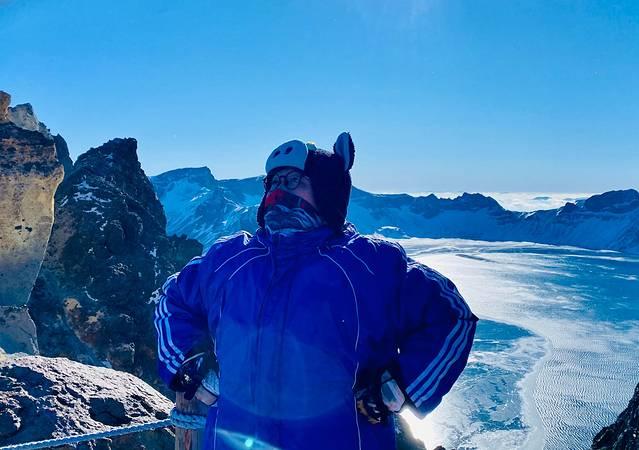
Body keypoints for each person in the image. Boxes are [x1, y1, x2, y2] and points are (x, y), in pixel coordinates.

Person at [154, 132, 478, 450]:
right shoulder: (229, 260)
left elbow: (451, 315)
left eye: (293, 181)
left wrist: (400, 385)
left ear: (327, 191)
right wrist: (191, 362)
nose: (278, 192)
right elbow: (172, 299)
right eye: (273, 183)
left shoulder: (371, 266)